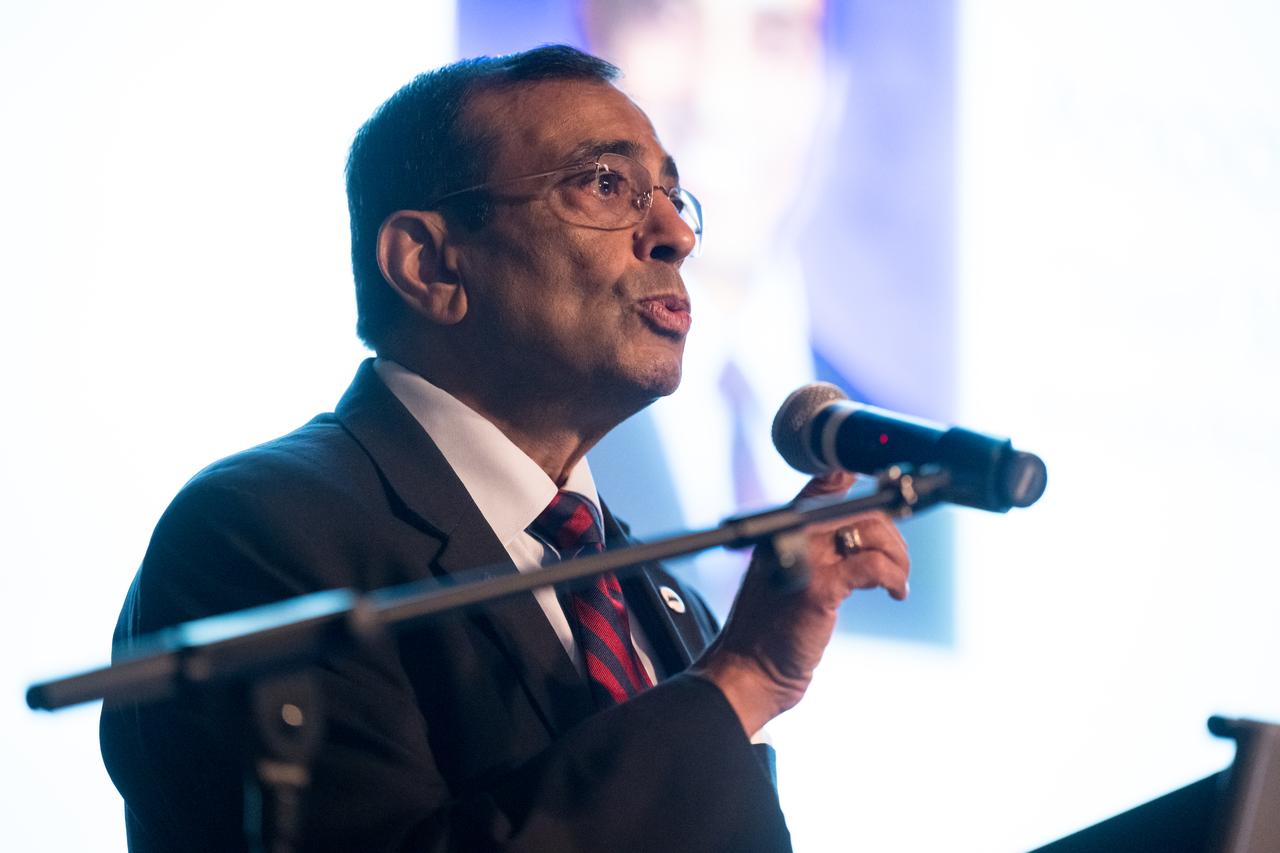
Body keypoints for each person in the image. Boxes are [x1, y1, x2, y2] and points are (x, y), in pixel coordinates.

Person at [99, 45, 909, 853]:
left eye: (670, 195)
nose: (673, 235)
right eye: (604, 184)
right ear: (429, 263)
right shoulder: (259, 534)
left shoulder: (663, 605)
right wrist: (736, 684)